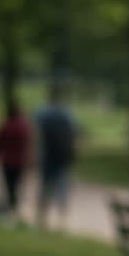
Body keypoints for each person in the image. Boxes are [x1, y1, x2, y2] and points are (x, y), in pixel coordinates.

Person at [34, 85, 79, 229]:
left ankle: (42, 220)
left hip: (47, 156)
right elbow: (74, 134)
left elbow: (35, 134)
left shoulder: (42, 113)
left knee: (45, 187)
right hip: (63, 157)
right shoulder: (67, 114)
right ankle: (61, 222)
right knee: (62, 187)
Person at [0, 101, 31, 223]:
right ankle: (14, 208)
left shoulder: (5, 126)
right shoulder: (24, 126)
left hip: (8, 161)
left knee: (9, 185)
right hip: (20, 161)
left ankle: (11, 208)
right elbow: (28, 144)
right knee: (16, 185)